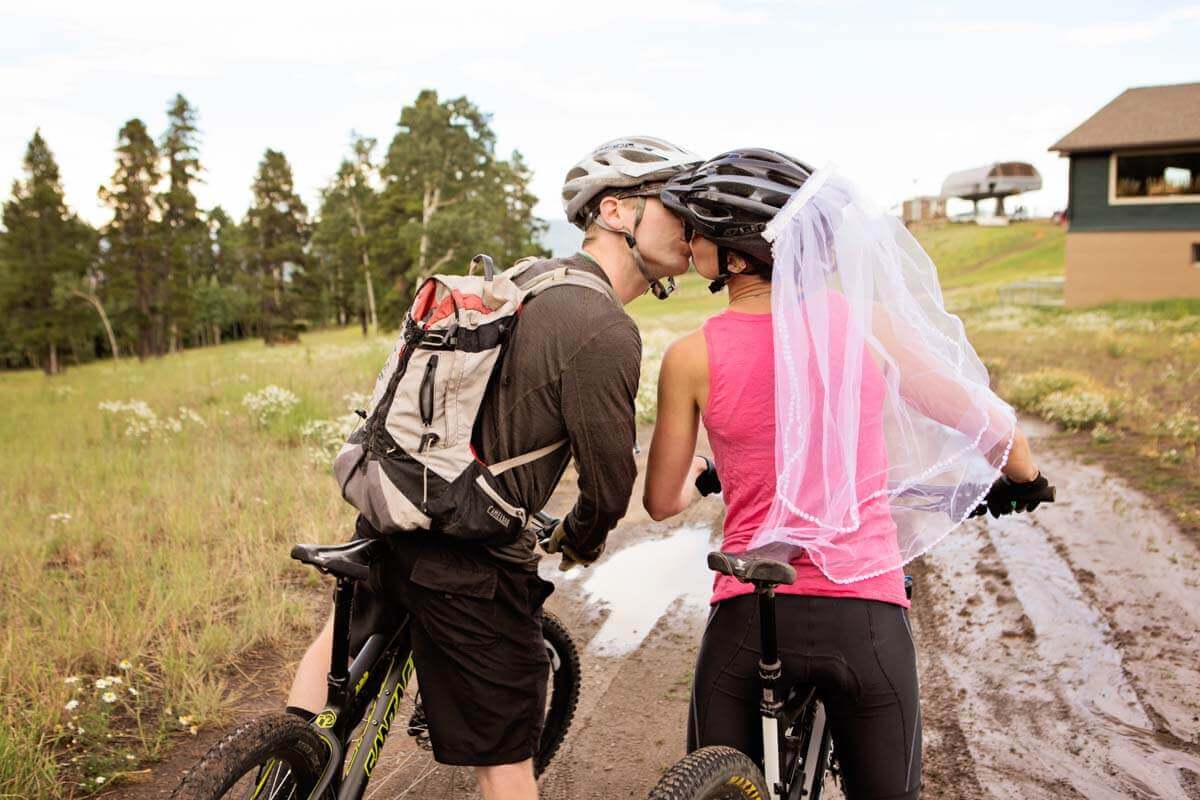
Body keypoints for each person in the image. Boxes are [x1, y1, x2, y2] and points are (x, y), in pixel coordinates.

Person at [284, 136, 701, 800]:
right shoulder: (603, 327)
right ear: (618, 211)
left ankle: (285, 772)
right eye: (677, 208)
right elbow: (608, 484)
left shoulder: (525, 277)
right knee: (507, 760)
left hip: (398, 504)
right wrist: (583, 539)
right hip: (469, 560)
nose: (692, 226)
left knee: (344, 637)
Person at [643, 149, 1051, 799]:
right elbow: (994, 426)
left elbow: (662, 501)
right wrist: (1024, 478)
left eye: (700, 231)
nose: (690, 242)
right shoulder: (866, 325)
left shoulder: (690, 356)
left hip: (751, 613)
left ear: (736, 251)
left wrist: (710, 473)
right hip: (863, 617)